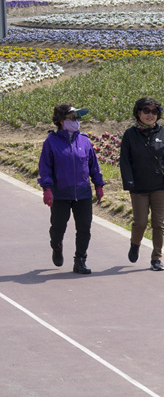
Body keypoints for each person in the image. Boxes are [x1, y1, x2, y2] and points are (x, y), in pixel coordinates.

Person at [119, 96, 164, 272]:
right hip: (139, 187)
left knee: (158, 223)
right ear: (138, 112)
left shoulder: (162, 132)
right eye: (146, 111)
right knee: (140, 223)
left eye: (154, 112)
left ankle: (156, 258)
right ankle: (135, 244)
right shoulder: (130, 134)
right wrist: (129, 182)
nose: (150, 115)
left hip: (159, 186)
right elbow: (124, 161)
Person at [38, 103, 103, 275]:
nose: (76, 121)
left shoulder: (84, 141)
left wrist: (98, 184)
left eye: (78, 118)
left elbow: (93, 165)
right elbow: (45, 167)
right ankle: (56, 245)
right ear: (61, 121)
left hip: (83, 193)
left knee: (84, 228)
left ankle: (80, 260)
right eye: (72, 118)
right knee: (58, 226)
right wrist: (47, 189)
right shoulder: (51, 142)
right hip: (61, 193)